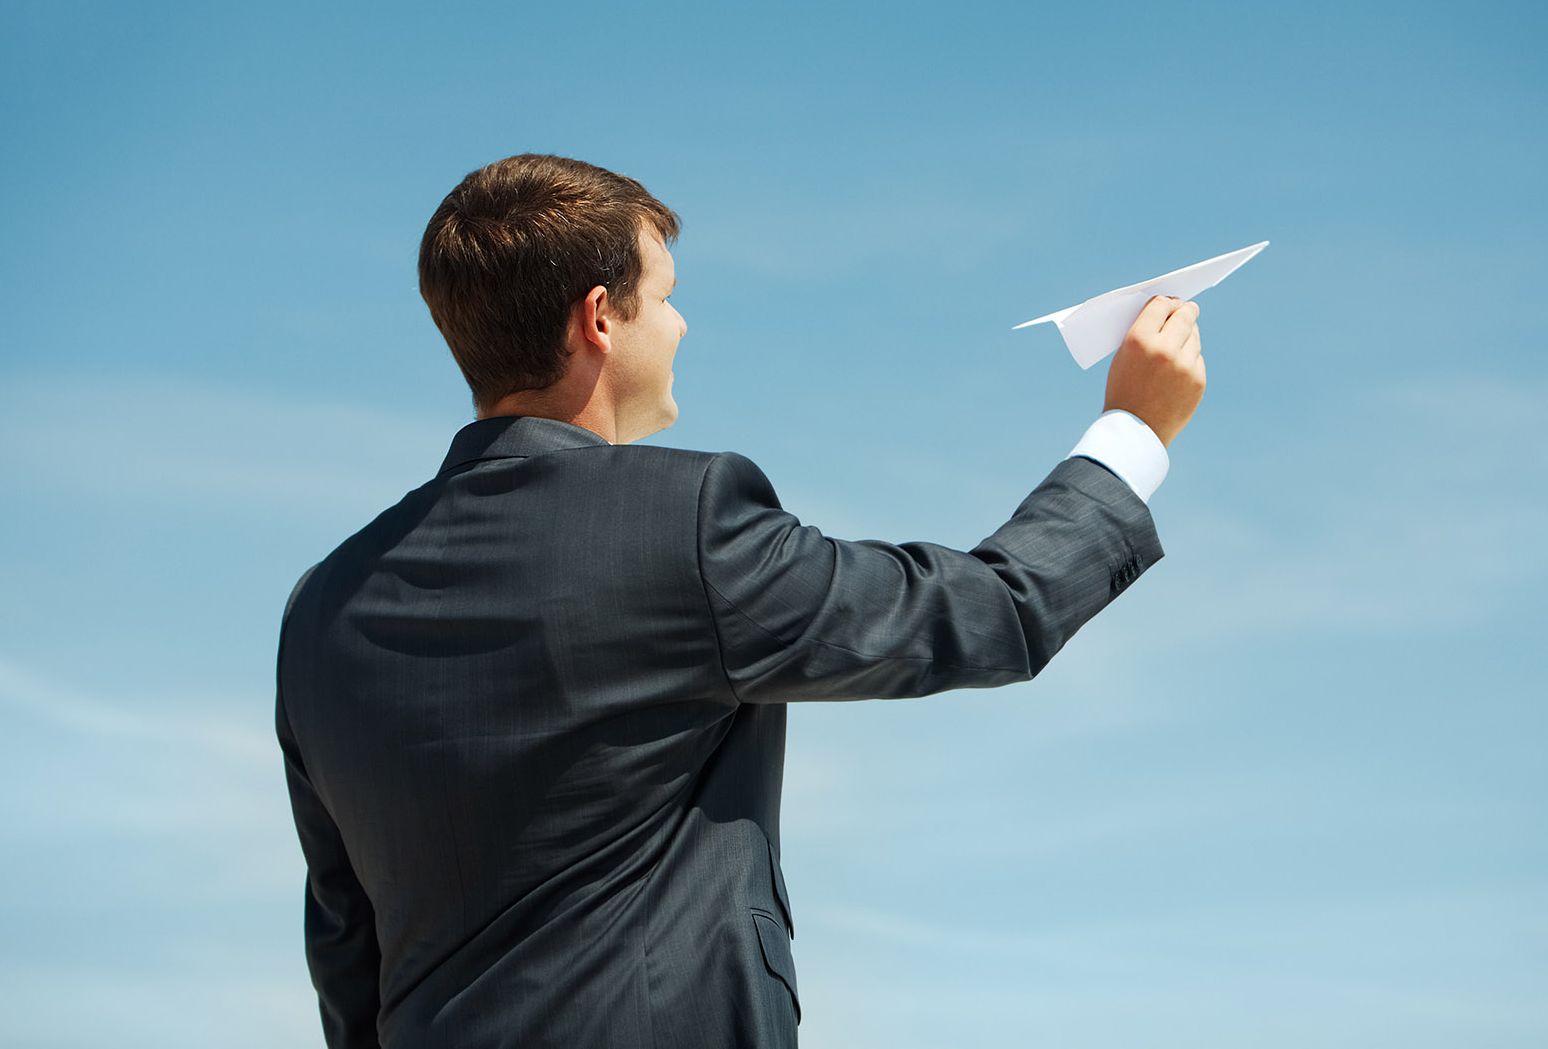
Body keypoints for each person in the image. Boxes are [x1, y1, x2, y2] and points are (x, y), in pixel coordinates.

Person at [275, 153, 1206, 1049]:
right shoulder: (681, 526)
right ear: (600, 317)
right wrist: (1132, 430)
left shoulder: (320, 611)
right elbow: (990, 610)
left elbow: (347, 951)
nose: (681, 327)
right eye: (668, 296)